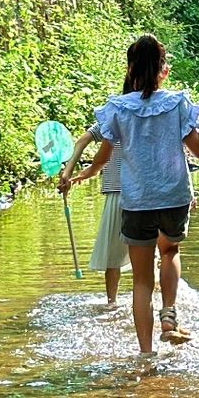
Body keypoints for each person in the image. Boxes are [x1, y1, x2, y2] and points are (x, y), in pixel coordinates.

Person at [94, 37, 199, 356]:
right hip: (173, 197)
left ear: (130, 69)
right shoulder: (177, 103)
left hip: (137, 200)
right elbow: (198, 149)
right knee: (169, 252)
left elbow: (104, 150)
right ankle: (169, 315)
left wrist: (79, 172)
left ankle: (146, 354)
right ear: (162, 71)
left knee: (141, 281)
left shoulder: (118, 108)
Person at [59, 123, 130, 307]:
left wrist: (70, 172)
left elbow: (85, 141)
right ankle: (152, 303)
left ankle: (111, 303)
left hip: (117, 193)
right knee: (149, 255)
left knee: (113, 258)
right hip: (147, 193)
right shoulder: (153, 112)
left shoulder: (114, 114)